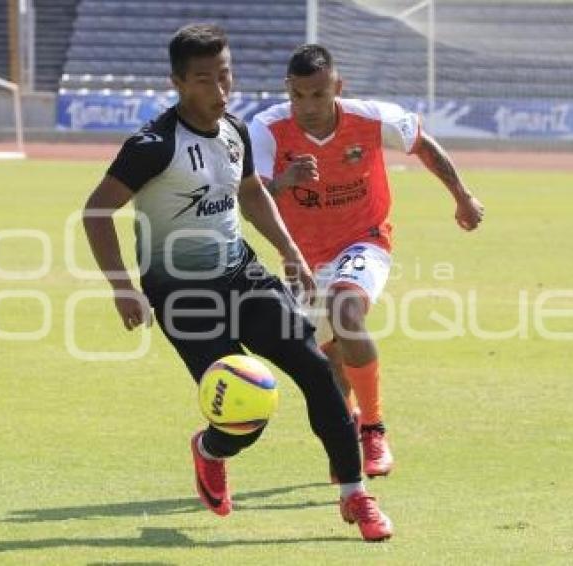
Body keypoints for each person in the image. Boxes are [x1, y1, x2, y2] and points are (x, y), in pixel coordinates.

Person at [82, 25, 392, 541]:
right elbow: (96, 212)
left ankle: (355, 495)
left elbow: (250, 192)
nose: (220, 90)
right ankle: (209, 450)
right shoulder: (152, 146)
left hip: (242, 273)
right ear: (178, 82)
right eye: (205, 79)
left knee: (316, 367)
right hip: (182, 293)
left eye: (225, 75)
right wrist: (122, 286)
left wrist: (288, 250)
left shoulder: (235, 129)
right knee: (248, 412)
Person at [248, 44, 485, 479]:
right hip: (305, 259)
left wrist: (462, 197)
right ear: (288, 90)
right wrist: (286, 180)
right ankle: (349, 429)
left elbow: (422, 143)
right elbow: (253, 197)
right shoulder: (266, 128)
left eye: (319, 94)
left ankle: (374, 429)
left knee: (346, 308)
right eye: (299, 95)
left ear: (338, 86)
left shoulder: (371, 118)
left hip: (365, 239)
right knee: (327, 358)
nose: (309, 106)